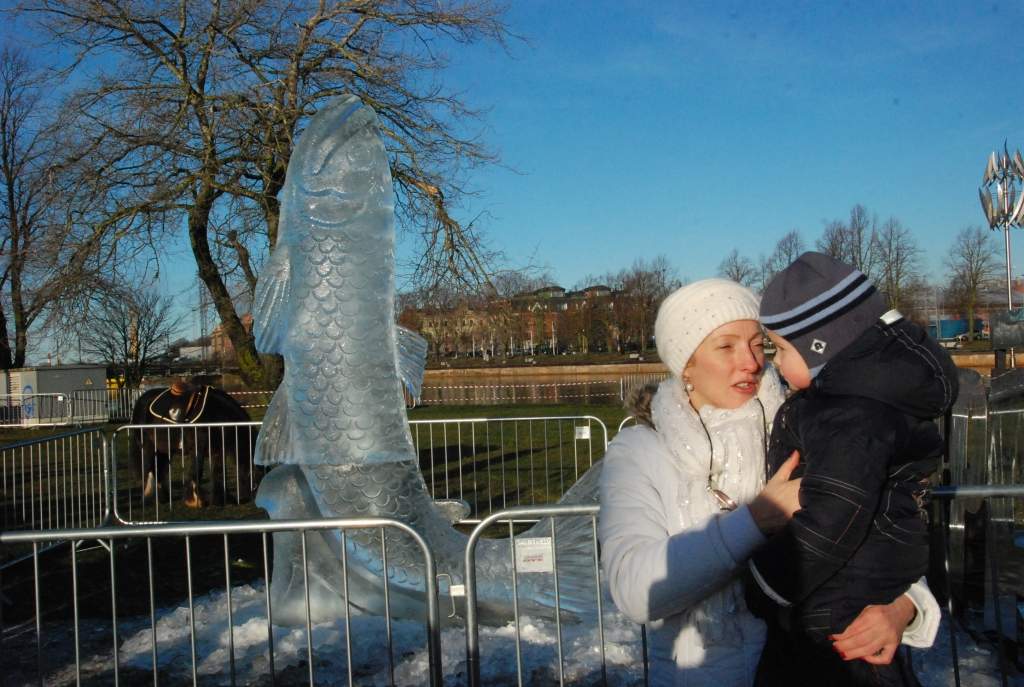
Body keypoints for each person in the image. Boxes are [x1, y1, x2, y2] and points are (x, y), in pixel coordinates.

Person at [598, 278, 939, 687]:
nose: (751, 361)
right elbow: (636, 589)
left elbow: (886, 527)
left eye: (759, 343)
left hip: (814, 670)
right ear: (685, 362)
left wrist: (904, 607)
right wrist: (757, 519)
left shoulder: (806, 426)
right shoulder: (640, 451)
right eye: (726, 346)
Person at [750, 252, 956, 686]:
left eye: (780, 349)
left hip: (835, 616)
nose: (771, 365)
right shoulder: (862, 402)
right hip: (845, 602)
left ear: (820, 347)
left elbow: (835, 512)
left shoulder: (847, 415)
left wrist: (766, 580)